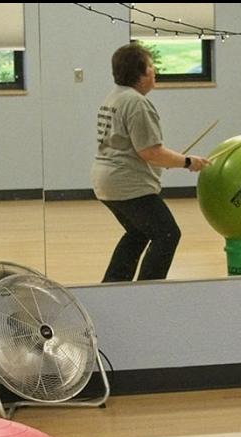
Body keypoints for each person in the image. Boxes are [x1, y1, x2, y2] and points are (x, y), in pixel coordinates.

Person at [90, 42, 207, 282]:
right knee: (167, 234)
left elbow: (139, 149)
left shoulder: (115, 97)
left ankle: (113, 287)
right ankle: (148, 290)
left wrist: (170, 159)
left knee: (137, 233)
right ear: (140, 73)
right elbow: (150, 152)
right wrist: (187, 162)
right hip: (128, 184)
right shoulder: (136, 103)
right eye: (151, 66)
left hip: (106, 181)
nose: (155, 71)